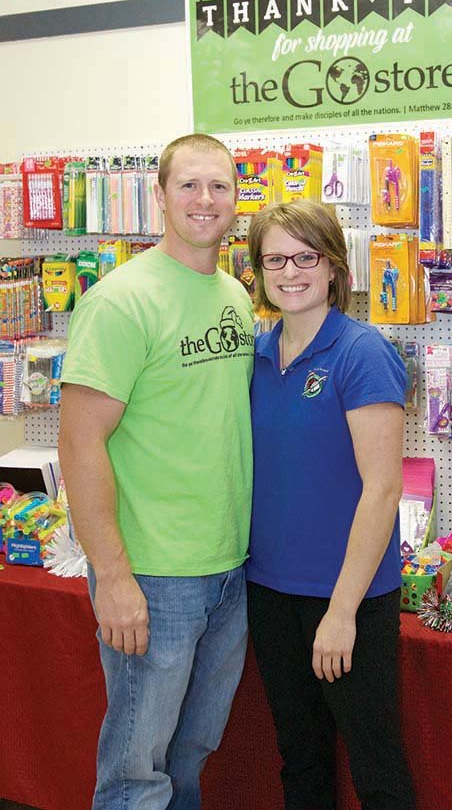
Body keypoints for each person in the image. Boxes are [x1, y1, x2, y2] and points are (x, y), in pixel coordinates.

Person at [59, 134, 255, 810]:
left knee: (191, 754)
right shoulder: (121, 301)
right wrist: (112, 575)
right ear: (161, 196)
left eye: (220, 186)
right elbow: (80, 444)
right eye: (190, 186)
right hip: (154, 575)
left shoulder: (234, 294)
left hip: (230, 567)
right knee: (136, 774)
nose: (206, 200)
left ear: (237, 197)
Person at [246, 200, 415, 810]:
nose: (290, 272)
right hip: (268, 593)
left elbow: (383, 489)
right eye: (274, 259)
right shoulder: (257, 357)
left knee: (375, 765)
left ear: (335, 267)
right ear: (259, 272)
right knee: (302, 757)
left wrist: (341, 613)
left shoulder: (362, 352)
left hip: (349, 599)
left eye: (305, 256)